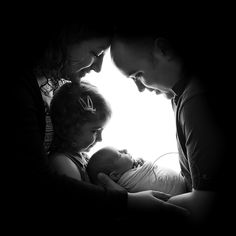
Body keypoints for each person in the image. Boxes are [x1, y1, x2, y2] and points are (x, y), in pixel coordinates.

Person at [9, 18, 189, 232]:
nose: (98, 66)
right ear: (67, 36)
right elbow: (36, 183)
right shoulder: (17, 88)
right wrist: (128, 202)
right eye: (96, 53)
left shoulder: (48, 84)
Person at [102, 20, 230, 228]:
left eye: (138, 75)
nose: (140, 88)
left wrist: (128, 204)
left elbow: (205, 204)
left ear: (164, 49)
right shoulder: (179, 95)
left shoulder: (195, 101)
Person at [48, 80, 112, 182]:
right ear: (69, 129)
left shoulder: (81, 156)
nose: (100, 139)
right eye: (94, 131)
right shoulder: (62, 162)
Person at [87, 146, 186, 196]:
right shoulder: (128, 183)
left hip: (182, 191)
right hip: (177, 195)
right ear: (115, 175)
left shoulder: (129, 170)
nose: (125, 150)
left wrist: (137, 165)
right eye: (120, 154)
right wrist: (142, 166)